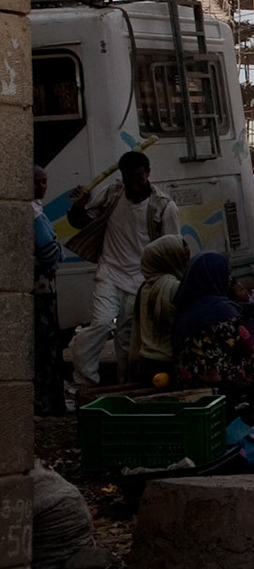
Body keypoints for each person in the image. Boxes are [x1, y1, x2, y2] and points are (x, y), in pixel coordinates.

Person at [66, 149, 180, 388]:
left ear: (147, 174)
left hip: (141, 280)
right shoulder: (113, 194)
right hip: (110, 272)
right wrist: (79, 205)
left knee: (128, 339)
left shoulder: (164, 206)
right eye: (129, 179)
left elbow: (172, 247)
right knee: (102, 323)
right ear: (123, 177)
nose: (135, 185)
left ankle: (124, 384)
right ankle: (85, 380)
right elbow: (81, 222)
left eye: (139, 178)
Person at [172, 251, 254, 407]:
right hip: (217, 378)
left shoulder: (186, 307)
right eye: (227, 275)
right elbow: (247, 349)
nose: (230, 280)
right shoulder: (221, 311)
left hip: (186, 377)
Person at [130, 233, 190, 386]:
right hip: (168, 364)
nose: (187, 263)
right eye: (184, 258)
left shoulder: (144, 288)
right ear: (170, 259)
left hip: (145, 362)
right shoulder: (174, 287)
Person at [32, 166, 64, 413]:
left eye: (45, 182)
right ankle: (47, 403)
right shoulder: (32, 213)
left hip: (42, 288)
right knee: (45, 348)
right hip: (40, 290)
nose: (42, 187)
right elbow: (49, 251)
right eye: (37, 182)